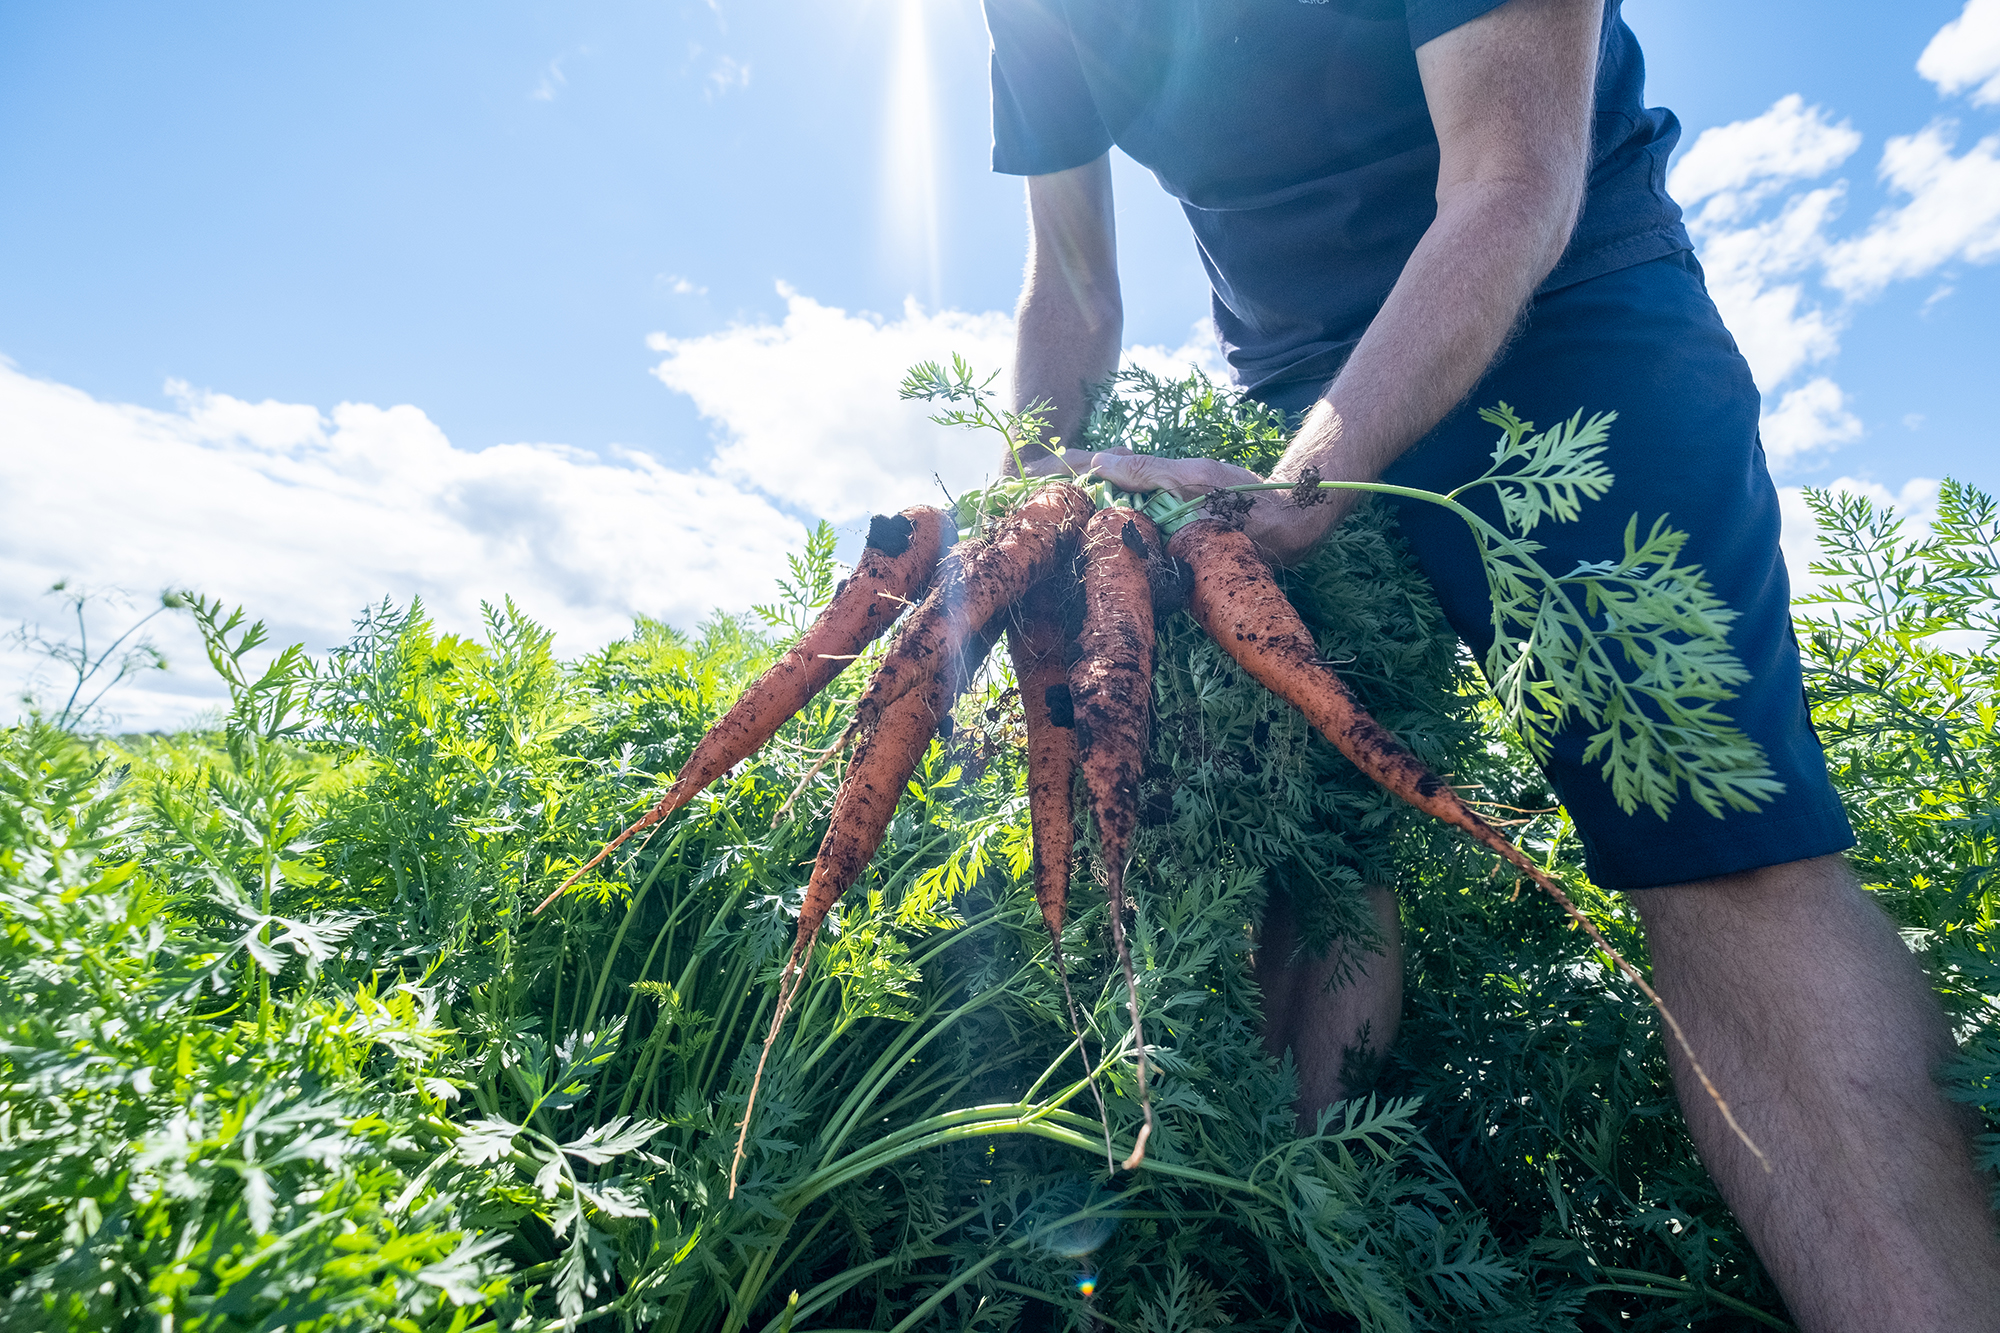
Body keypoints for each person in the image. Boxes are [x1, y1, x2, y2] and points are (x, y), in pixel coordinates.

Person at [978, 1, 2000, 1328]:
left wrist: (1304, 489)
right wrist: (1023, 521)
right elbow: (1071, 284)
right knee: (1320, 863)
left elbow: (1510, 177)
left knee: (1720, 848)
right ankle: (1315, 1269)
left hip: (1567, 314)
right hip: (1288, 386)